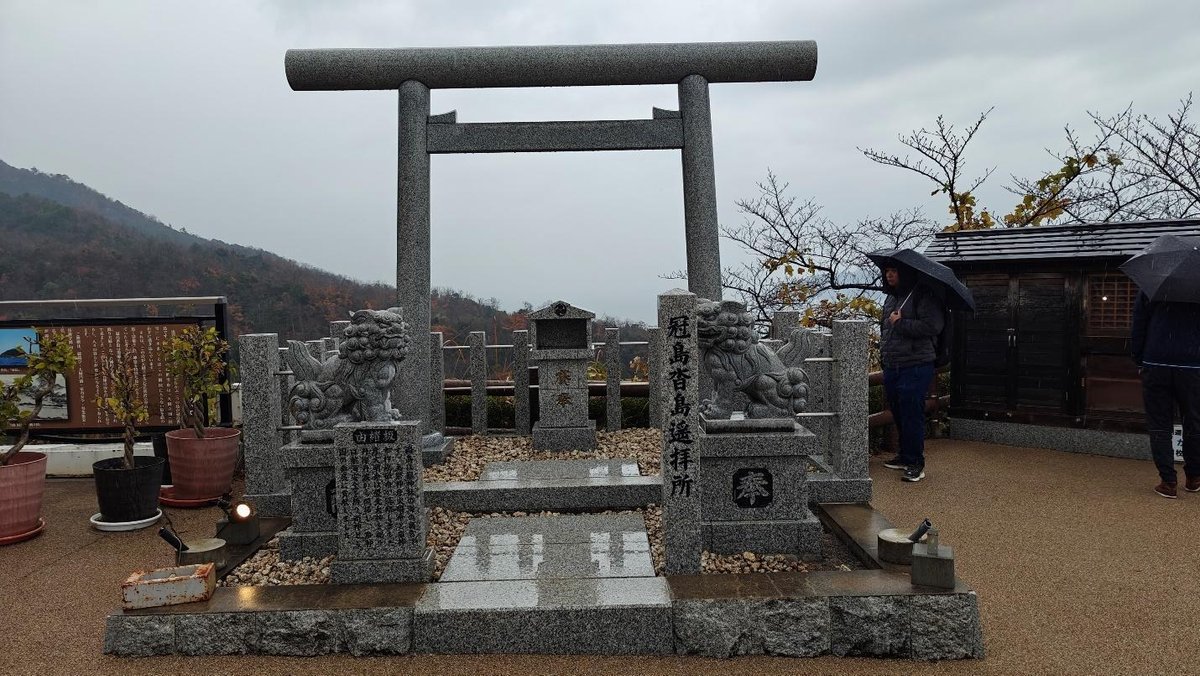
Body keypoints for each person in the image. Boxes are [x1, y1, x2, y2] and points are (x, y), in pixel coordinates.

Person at [1131, 291, 1200, 499]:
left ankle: (1168, 481)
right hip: (1194, 364)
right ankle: (1195, 477)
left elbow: (1139, 323)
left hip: (1156, 362)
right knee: (1194, 420)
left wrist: (1138, 357)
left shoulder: (1154, 283)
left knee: (1160, 423)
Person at [879, 265, 945, 482]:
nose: (889, 274)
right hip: (893, 364)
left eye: (894, 271)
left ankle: (916, 462)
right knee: (898, 410)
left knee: (912, 413)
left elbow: (933, 326)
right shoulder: (891, 299)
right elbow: (885, 330)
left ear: (904, 273)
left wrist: (901, 323)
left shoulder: (922, 295)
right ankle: (905, 455)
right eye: (887, 271)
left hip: (916, 364)